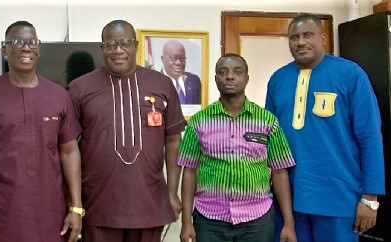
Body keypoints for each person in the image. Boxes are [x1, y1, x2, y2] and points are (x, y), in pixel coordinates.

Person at [265, 14, 385, 241]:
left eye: (307, 35)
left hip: (339, 198)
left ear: (323, 38)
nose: (300, 42)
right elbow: (269, 140)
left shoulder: (351, 75)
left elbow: (370, 138)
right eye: (294, 37)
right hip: (288, 202)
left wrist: (370, 198)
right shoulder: (278, 79)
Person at [68, 20, 186, 242]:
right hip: (98, 205)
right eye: (111, 44)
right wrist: (74, 203)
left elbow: (173, 140)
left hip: (149, 203)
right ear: (102, 48)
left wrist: (172, 192)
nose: (118, 50)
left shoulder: (162, 84)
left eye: (124, 43)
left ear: (136, 46)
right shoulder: (79, 88)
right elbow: (67, 148)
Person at [0, 20, 83, 242]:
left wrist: (76, 207)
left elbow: (69, 152)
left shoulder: (58, 95)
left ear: (38, 49)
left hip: (50, 215)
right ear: (5, 49)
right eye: (17, 41)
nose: (25, 47)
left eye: (31, 41)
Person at [178, 53, 296, 242]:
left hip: (257, 220)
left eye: (237, 72)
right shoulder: (198, 122)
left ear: (246, 78)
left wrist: (289, 224)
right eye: (223, 72)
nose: (230, 76)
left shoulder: (267, 121)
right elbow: (189, 171)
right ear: (216, 79)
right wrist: (186, 222)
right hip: (209, 220)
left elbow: (280, 172)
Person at [160, 39, 201, 105]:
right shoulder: (155, 82)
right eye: (173, 58)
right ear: (162, 59)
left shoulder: (194, 81)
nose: (178, 63)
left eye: (182, 58)